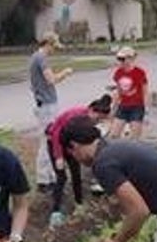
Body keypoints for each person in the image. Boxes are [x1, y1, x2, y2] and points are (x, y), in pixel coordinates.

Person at [44, 95, 116, 225]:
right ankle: (55, 212)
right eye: (98, 118)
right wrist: (59, 157)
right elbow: (56, 133)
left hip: (72, 145)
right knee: (61, 177)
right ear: (92, 111)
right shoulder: (75, 115)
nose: (97, 122)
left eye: (101, 120)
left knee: (76, 173)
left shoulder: (88, 121)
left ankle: (79, 204)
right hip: (55, 143)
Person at [29, 33, 74, 191]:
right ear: (48, 44)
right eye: (54, 47)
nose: (54, 50)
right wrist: (65, 73)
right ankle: (43, 179)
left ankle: (50, 176)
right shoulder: (40, 58)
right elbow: (51, 79)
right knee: (47, 140)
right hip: (46, 105)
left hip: (45, 103)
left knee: (51, 139)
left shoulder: (36, 58)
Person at [108, 45, 151, 140]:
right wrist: (113, 108)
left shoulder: (139, 72)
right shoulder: (118, 72)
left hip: (137, 107)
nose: (120, 62)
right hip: (123, 106)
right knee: (113, 135)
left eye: (122, 59)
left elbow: (145, 91)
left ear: (130, 59)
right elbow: (118, 92)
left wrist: (146, 108)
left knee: (134, 138)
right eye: (119, 59)